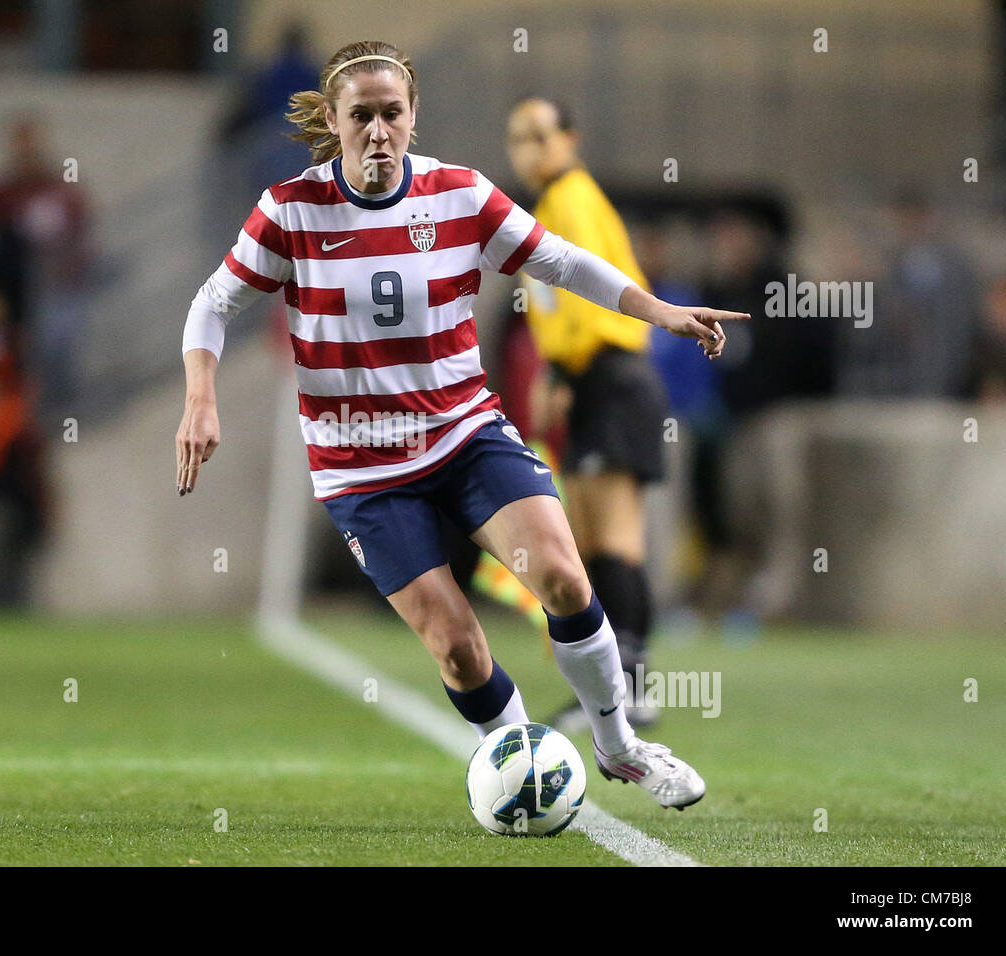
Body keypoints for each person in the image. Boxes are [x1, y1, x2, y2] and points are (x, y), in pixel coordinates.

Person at [176, 40, 747, 809]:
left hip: (462, 434)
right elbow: (213, 302)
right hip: (362, 468)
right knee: (457, 646)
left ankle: (622, 750)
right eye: (361, 117)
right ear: (337, 122)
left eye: (391, 114)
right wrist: (201, 396)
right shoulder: (291, 211)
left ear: (412, 117)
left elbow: (565, 263)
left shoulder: (460, 195)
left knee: (563, 575)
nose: (378, 131)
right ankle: (527, 770)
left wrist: (661, 310)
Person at [505, 97, 669, 729]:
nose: (529, 149)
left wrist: (566, 372)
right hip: (591, 376)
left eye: (541, 135)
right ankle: (610, 688)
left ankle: (631, 688)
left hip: (610, 376)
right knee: (595, 541)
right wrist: (556, 370)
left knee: (617, 538)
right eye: (519, 138)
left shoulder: (570, 199)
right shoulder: (549, 205)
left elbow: (587, 302)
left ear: (570, 138)